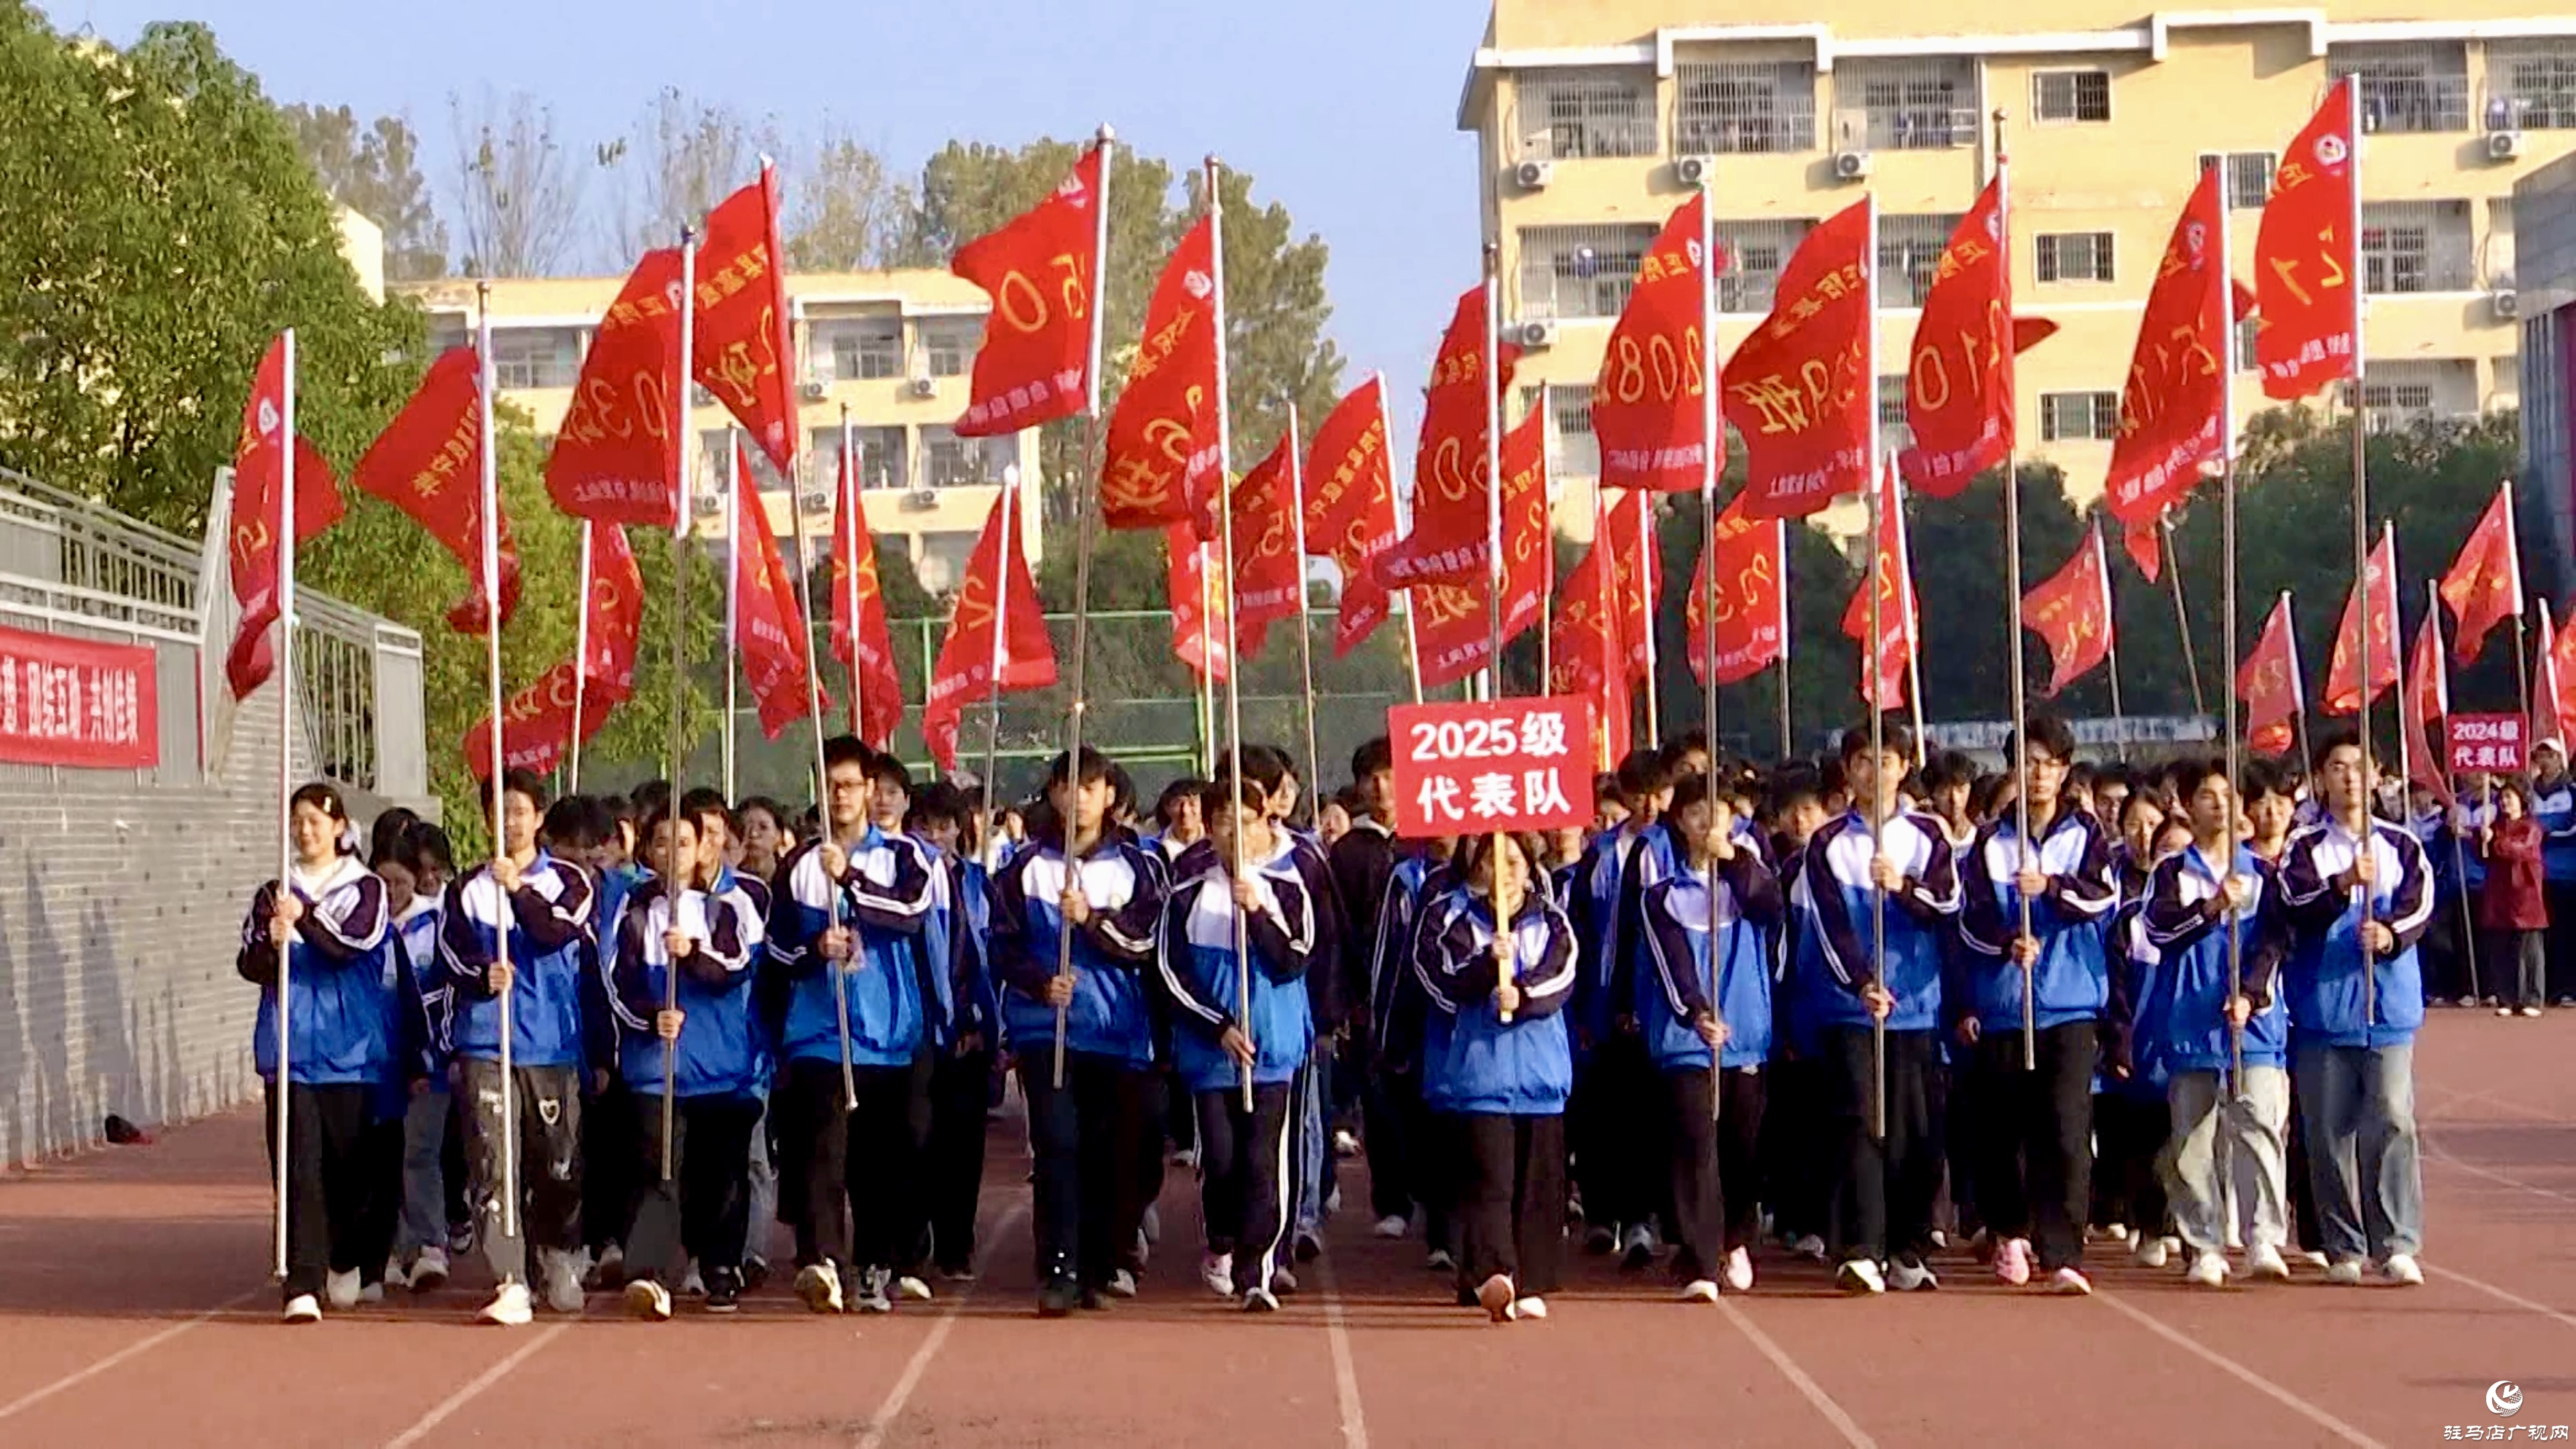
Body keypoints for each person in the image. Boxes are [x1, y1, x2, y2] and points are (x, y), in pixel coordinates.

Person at [989, 747, 1167, 1316]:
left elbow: (1145, 943)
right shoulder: (1024, 866)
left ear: (1109, 796)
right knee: (1058, 1146)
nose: (1078, 798)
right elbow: (1002, 945)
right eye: (1068, 787)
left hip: (1118, 1034)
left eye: (1089, 787)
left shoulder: (1139, 866)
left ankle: (1101, 1260)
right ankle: (1059, 1268)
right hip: (1048, 1032)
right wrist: (1040, 984)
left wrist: (1091, 920)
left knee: (1111, 1153)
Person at [768, 738, 940, 1315]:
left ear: (869, 789)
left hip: (887, 1036)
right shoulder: (798, 866)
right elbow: (776, 948)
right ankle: (823, 1261)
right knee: (823, 1150)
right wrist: (815, 947)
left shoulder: (904, 856)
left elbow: (911, 913)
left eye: (849, 785)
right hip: (820, 1032)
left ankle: (874, 1264)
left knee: (877, 1163)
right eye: (830, 785)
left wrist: (851, 882)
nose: (839, 796)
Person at [1792, 722, 1959, 1295]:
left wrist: (1902, 888)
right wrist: (1861, 983)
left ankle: (1908, 1247)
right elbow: (1828, 925)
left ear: (1904, 767)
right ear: (1848, 770)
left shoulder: (1928, 835)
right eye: (1863, 761)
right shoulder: (1827, 843)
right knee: (1860, 1123)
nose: (1874, 772)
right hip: (1853, 1009)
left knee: (1915, 1132)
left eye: (1885, 761)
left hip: (1916, 1007)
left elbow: (1947, 904)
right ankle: (1862, 1248)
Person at [1958, 713, 2117, 1295]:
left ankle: (2063, 1250)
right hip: (2006, 1006)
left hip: (2069, 1004)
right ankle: (2009, 1229)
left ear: (2065, 770)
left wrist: (2051, 889)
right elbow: (1970, 920)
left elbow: (2102, 899)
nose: (2039, 774)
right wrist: (2007, 942)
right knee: (2004, 1131)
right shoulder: (1990, 843)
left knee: (2066, 1131)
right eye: (2027, 763)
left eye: (2049, 764)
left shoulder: (2086, 835)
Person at [239, 783, 407, 1324]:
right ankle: (302, 1281)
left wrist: (305, 918)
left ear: (338, 828)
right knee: (298, 1168)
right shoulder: (274, 891)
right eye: (298, 821)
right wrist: (273, 941)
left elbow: (348, 946)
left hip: (348, 1052)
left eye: (315, 821)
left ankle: (346, 1256)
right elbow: (249, 964)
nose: (305, 830)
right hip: (290, 1050)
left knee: (349, 1170)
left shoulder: (366, 888)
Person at [439, 769, 598, 1326]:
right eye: (499, 812)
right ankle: (510, 1277)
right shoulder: (466, 889)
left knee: (557, 1162)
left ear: (538, 817)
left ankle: (559, 1253)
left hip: (551, 1043)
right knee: (492, 1162)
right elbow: (450, 956)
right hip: (488, 1041)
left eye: (519, 812)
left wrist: (518, 890)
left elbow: (557, 932)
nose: (508, 822)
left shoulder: (570, 881)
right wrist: (481, 976)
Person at [2277, 728, 2432, 1287]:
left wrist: (2390, 934)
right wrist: (2343, 884)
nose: (2348, 777)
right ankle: (2344, 1243)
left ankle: (2396, 1241)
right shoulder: (2304, 846)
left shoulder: (2402, 844)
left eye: (2358, 767)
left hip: (2387, 1007)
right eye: (2337, 767)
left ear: (2376, 776)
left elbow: (2421, 905)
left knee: (2392, 1119)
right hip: (2324, 1010)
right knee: (2327, 1133)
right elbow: (2294, 902)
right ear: (2321, 778)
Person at [1158, 780, 1318, 1311]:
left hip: (1273, 1051)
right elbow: (1171, 974)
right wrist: (1219, 1026)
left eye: (1247, 822)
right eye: (1226, 822)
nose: (1237, 834)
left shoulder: (1289, 890)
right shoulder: (1186, 895)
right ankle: (1222, 1239)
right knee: (1223, 1160)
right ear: (1210, 829)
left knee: (1262, 1162)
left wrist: (1258, 913)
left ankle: (1259, 1271)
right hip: (1212, 1055)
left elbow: (1294, 960)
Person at [2138, 757, 2294, 1288]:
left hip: (2253, 1023)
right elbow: (2160, 932)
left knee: (2258, 1127)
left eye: (2229, 796)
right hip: (2189, 1020)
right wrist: (2210, 907)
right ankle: (2203, 1243)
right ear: (2187, 805)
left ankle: (2263, 1238)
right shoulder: (2171, 872)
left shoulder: (2263, 873)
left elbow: (2274, 941)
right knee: (2193, 1140)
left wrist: (2251, 994)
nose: (2220, 805)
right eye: (2207, 796)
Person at [608, 805, 767, 1318]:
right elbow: (616, 982)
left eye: (682, 842)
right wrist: (649, 1017)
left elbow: (736, 966)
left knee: (719, 1176)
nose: (671, 853)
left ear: (702, 849)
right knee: (658, 1172)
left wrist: (693, 953)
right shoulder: (635, 913)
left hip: (717, 1070)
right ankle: (648, 1273)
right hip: (656, 1072)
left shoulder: (725, 909)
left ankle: (719, 1266)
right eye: (661, 843)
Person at [1415, 831, 1578, 1322]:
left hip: (1540, 1075)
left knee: (1538, 1185)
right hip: (1480, 1075)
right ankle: (1493, 1273)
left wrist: (1523, 996)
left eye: (1513, 862)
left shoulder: (1551, 919)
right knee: (1489, 1181)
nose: (1503, 872)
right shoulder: (1451, 918)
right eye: (1492, 861)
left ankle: (1531, 1280)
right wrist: (1487, 968)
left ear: (1529, 868)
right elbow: (1439, 979)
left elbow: (1563, 973)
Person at [1635, 775, 1780, 1299]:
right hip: (1688, 1043)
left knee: (1741, 1147)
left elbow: (1770, 907)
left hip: (1746, 1037)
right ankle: (1699, 1258)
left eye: (1716, 813)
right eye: (1696, 813)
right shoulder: (1662, 895)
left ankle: (1735, 1237)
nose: (1706, 823)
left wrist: (1734, 861)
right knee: (1695, 1143)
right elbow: (1669, 963)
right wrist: (1695, 1011)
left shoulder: (1749, 875)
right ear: (1680, 821)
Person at [1566, 749, 1676, 1267]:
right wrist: (1589, 1002)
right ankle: (1601, 1213)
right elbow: (1581, 927)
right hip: (1602, 999)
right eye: (1639, 795)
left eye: (1659, 794)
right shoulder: (1601, 853)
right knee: (1600, 1112)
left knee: (1647, 1116)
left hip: (1659, 1001)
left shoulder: (1674, 848)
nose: (1650, 805)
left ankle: (1640, 1219)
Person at [911, 782, 1000, 1281]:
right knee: (918, 1137)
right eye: (924, 826)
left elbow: (990, 957)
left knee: (964, 1144)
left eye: (943, 826)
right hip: (919, 1030)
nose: (934, 836)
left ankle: (956, 1243)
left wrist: (988, 1024)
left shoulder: (978, 883)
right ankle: (915, 1235)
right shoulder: (904, 882)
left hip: (971, 1029)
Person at [378, 824, 455, 1295]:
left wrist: (435, 1055)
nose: (391, 893)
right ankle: (391, 1248)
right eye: (383, 882)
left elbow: (449, 993)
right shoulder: (363, 924)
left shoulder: (436, 924)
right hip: (376, 1062)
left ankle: (430, 1243)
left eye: (400, 883)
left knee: (419, 1152)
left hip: (430, 1060)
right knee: (383, 1156)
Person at [2477, 777, 2548, 1018]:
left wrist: (2495, 842)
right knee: (2500, 947)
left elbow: (2520, 850)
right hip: (2499, 894)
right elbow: (2484, 856)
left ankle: (2531, 998)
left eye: (2509, 796)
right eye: (2502, 797)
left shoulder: (2531, 827)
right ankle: (2506, 997)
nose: (2504, 802)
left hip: (2526, 895)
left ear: (2522, 799)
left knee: (2528, 949)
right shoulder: (2494, 826)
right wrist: (2481, 839)